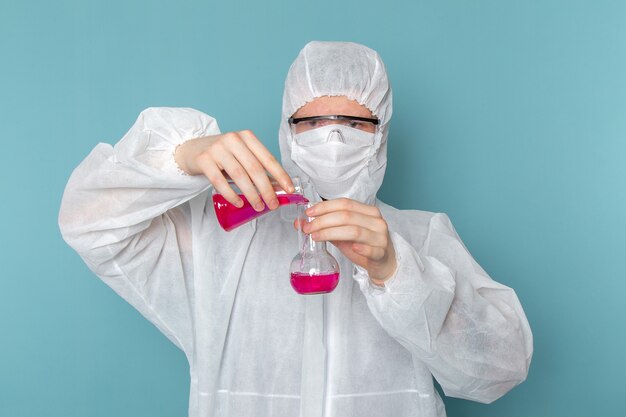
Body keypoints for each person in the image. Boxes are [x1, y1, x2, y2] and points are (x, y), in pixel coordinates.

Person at [59, 41, 532, 417]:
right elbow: (91, 225)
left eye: (354, 122)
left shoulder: (420, 236)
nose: (332, 136)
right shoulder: (218, 234)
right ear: (287, 130)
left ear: (381, 132)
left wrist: (398, 271)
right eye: (312, 120)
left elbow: (500, 369)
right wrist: (179, 156)